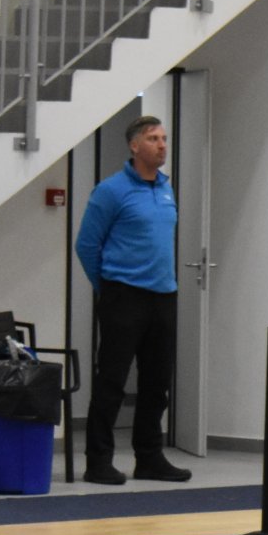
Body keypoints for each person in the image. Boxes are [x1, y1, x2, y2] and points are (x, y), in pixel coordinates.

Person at [74, 115, 188, 485]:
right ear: (135, 146)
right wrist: (107, 287)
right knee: (111, 381)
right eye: (154, 139)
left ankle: (150, 457)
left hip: (163, 296)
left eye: (164, 138)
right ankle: (98, 461)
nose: (162, 145)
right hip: (123, 296)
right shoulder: (111, 190)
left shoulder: (167, 189)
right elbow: (87, 244)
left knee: (156, 383)